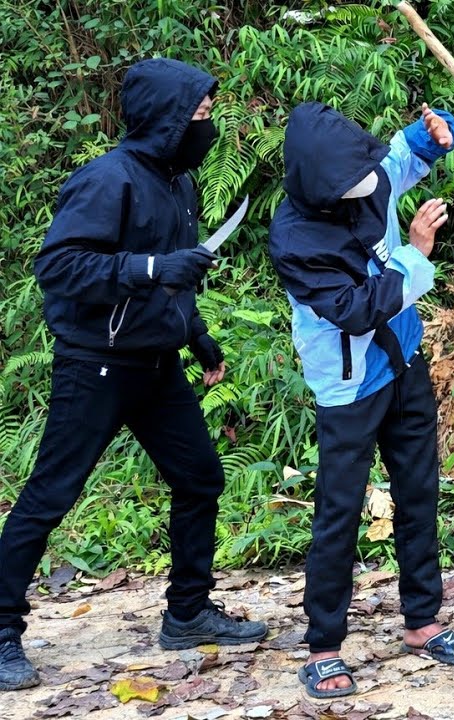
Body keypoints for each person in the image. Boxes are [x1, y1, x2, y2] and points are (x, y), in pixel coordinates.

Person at [0, 58, 267, 692]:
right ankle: (2, 631)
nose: (209, 123)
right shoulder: (105, 180)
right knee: (50, 496)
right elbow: (60, 268)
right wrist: (151, 268)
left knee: (201, 477)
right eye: (201, 113)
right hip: (96, 366)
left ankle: (187, 613)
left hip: (157, 365)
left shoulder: (179, 180)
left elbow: (179, 275)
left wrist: (199, 339)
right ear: (166, 116)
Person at [268, 100, 454, 699]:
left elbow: (400, 157)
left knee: (419, 491)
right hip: (350, 384)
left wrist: (434, 135)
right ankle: (324, 646)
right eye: (352, 188)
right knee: (339, 509)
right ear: (319, 188)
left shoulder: (364, 175)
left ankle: (423, 621)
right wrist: (417, 251)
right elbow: (358, 310)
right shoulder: (295, 240)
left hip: (405, 360)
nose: (367, 190)